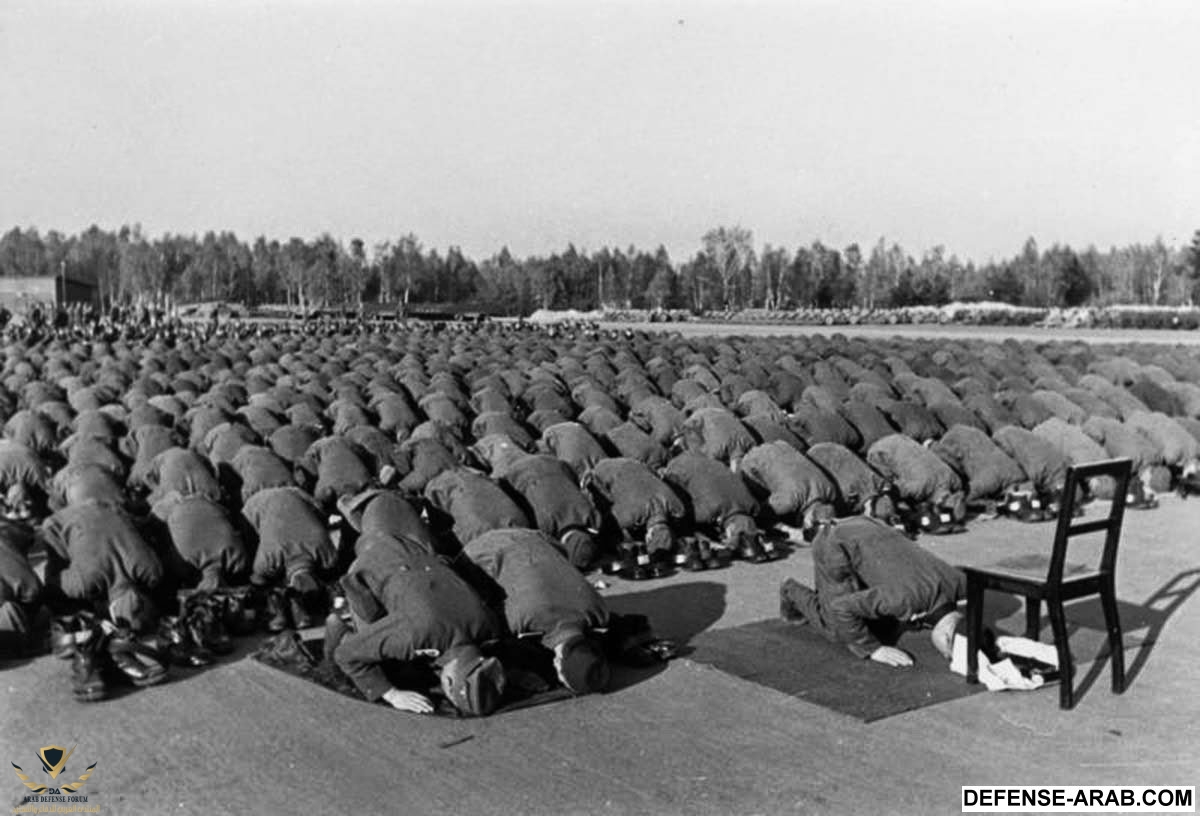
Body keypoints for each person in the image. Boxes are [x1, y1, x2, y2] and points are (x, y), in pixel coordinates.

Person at [331, 533, 507, 717]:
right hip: (373, 565)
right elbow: (346, 654)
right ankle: (335, 627)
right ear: (446, 681)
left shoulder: (489, 626)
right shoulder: (414, 633)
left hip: (420, 553)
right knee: (374, 636)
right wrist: (392, 695)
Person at [778, 515, 965, 667]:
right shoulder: (902, 599)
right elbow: (841, 608)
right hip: (835, 543)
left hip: (869, 524)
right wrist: (873, 649)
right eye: (949, 654)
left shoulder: (959, 582)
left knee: (880, 621)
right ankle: (790, 591)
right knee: (839, 628)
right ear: (946, 638)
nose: (946, 655)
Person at [459, 528, 610, 695]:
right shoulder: (520, 618)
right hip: (481, 549)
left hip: (535, 537)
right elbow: (486, 628)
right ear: (558, 661)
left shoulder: (599, 609)